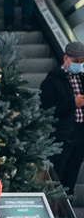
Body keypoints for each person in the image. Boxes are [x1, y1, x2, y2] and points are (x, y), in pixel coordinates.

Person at [41, 41, 84, 193]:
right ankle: (56, 213)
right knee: (57, 178)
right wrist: (73, 103)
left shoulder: (81, 79)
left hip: (79, 137)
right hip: (61, 138)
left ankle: (68, 215)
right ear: (66, 58)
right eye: (76, 61)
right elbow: (47, 110)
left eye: (82, 61)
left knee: (70, 181)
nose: (79, 65)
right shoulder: (52, 80)